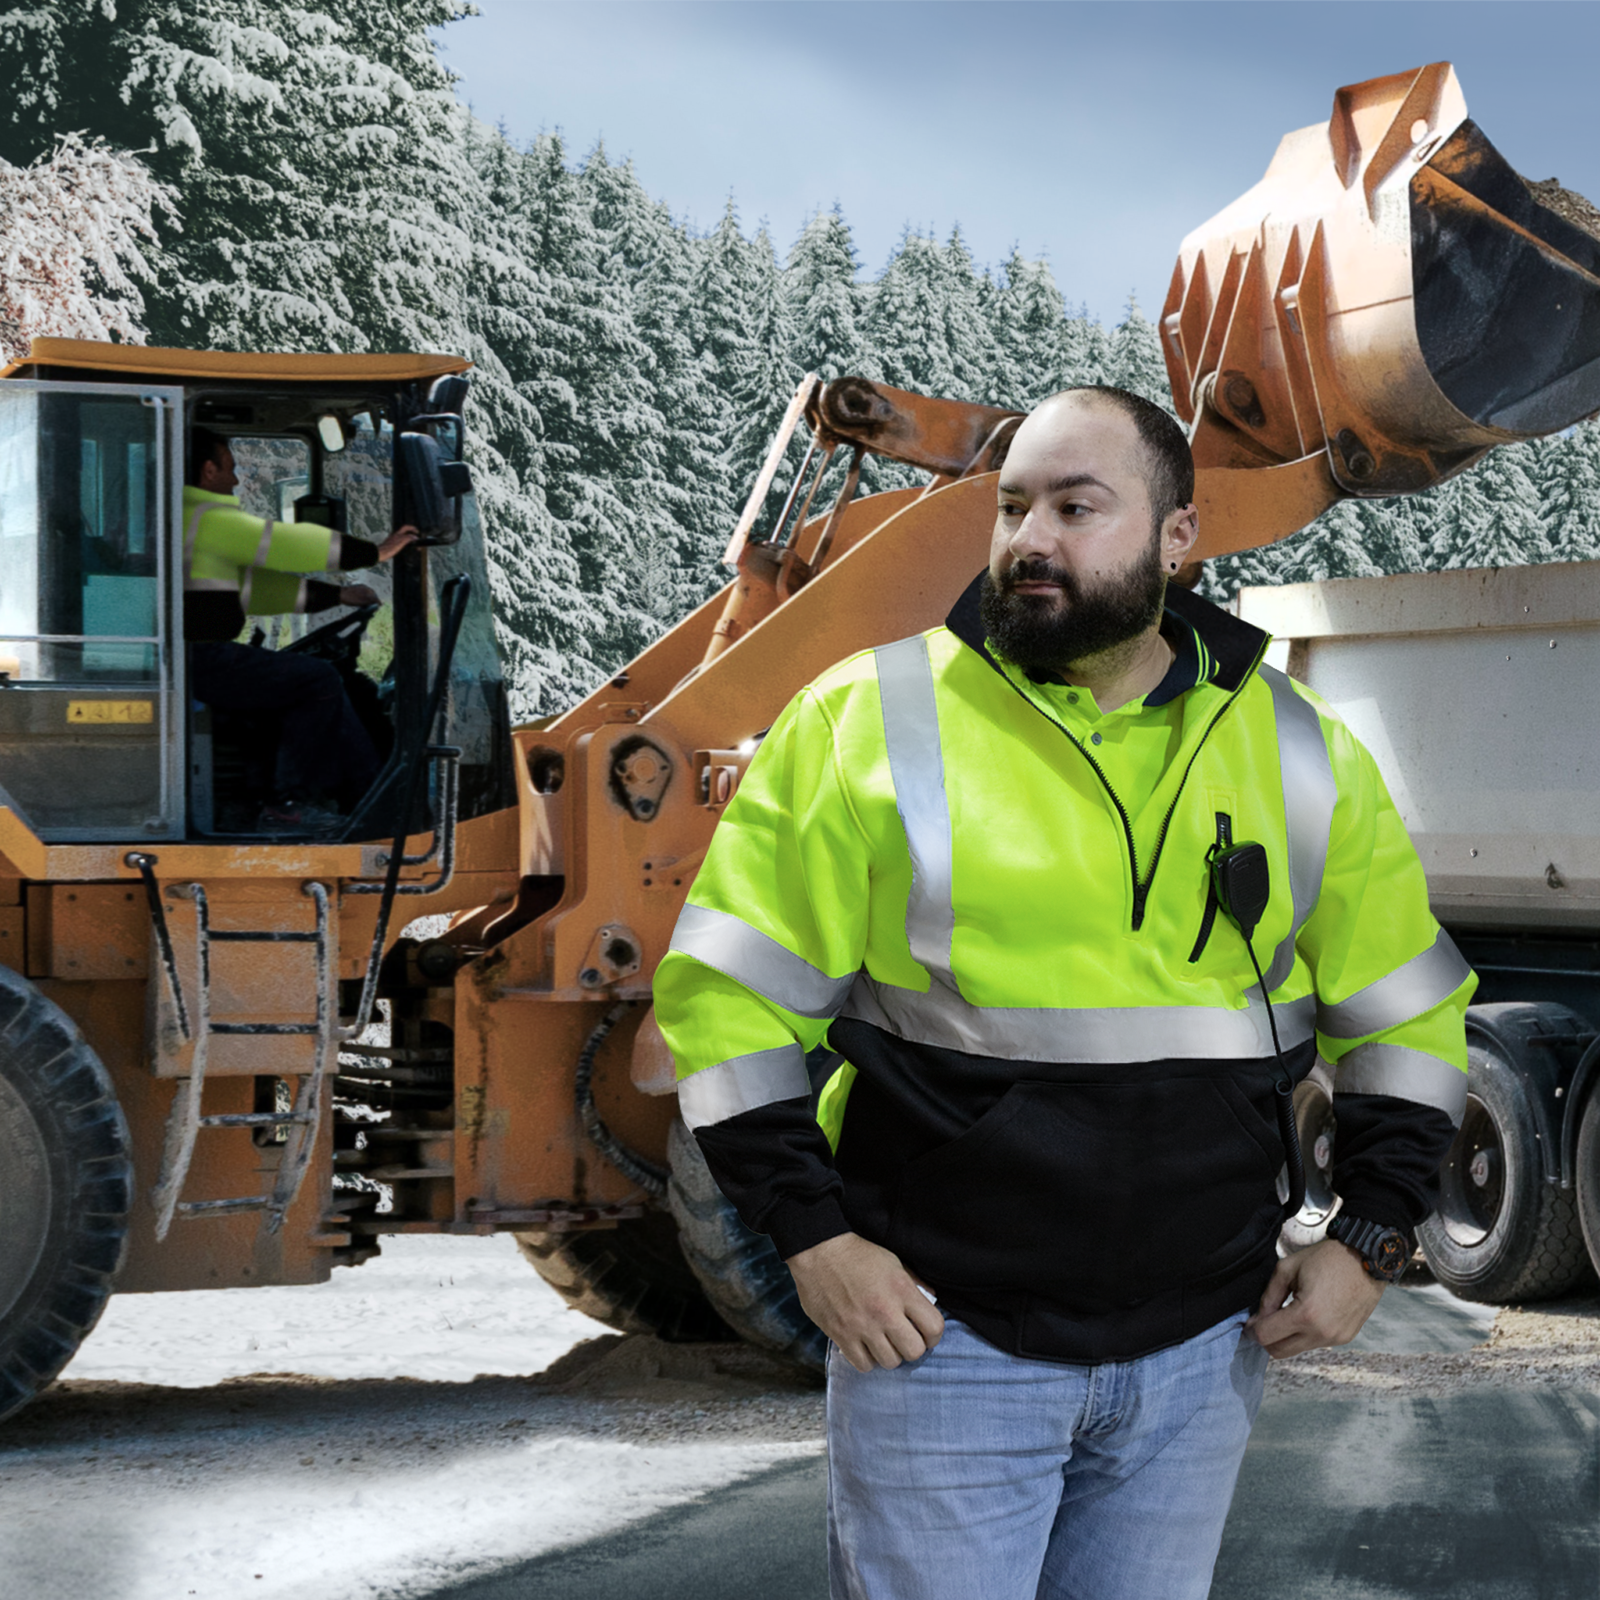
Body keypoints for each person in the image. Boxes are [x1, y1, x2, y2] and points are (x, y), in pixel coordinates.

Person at [652, 386, 1475, 1600]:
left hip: (1202, 1354)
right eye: (1012, 506)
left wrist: (1370, 1232)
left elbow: (1404, 1012)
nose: (1030, 537)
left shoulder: (1299, 749)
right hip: (943, 1344)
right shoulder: (864, 724)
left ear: (1177, 535)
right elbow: (723, 1006)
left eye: (1076, 507)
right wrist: (810, 1239)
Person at [184, 426, 416, 829]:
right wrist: (375, 552)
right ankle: (289, 803)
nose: (236, 479)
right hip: (201, 657)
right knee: (319, 681)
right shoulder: (206, 517)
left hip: (193, 657)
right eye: (230, 468)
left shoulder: (187, 521)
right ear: (208, 471)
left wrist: (338, 597)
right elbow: (282, 543)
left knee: (304, 680)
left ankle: (370, 798)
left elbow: (250, 590)